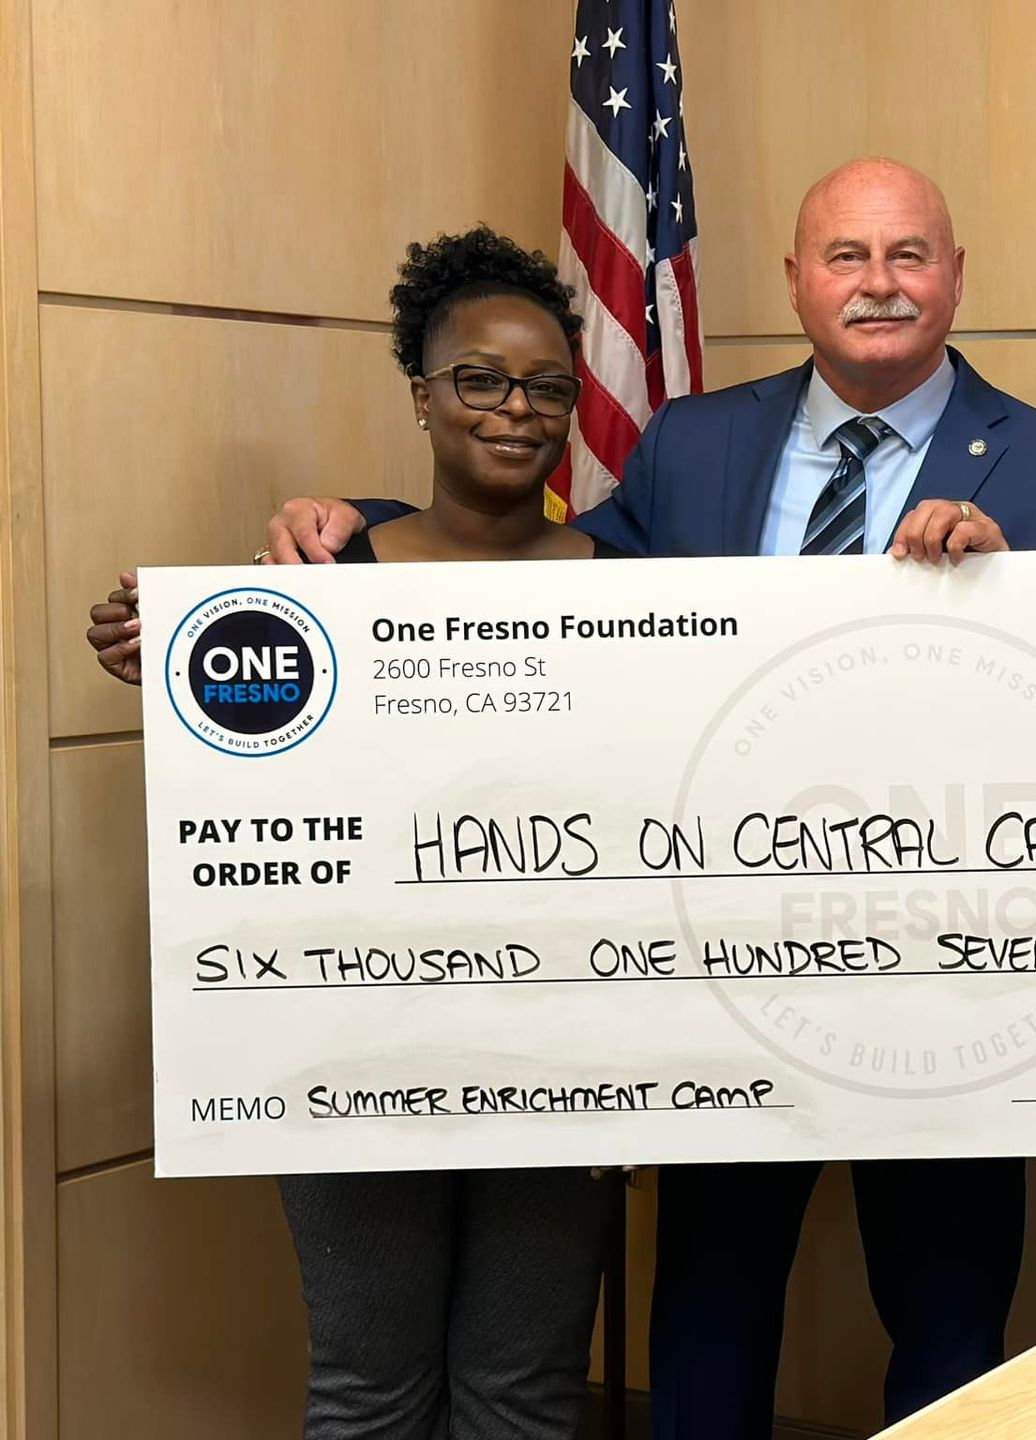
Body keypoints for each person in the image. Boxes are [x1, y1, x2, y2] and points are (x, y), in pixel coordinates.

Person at [250, 157, 1036, 1439]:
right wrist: (360, 533)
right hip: (722, 974)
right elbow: (544, 576)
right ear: (795, 280)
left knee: (950, 1334)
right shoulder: (694, 443)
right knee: (706, 1326)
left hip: (955, 985)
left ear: (955, 276)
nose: (878, 283)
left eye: (908, 255)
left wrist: (1025, 604)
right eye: (846, 256)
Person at [87, 227, 624, 1438]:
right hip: (352, 1043)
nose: (514, 411)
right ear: (423, 395)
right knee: (369, 1390)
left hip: (568, 1050)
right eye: (479, 380)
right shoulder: (319, 578)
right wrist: (161, 654)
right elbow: (242, 732)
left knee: (525, 1393)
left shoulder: (637, 580)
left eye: (546, 387)